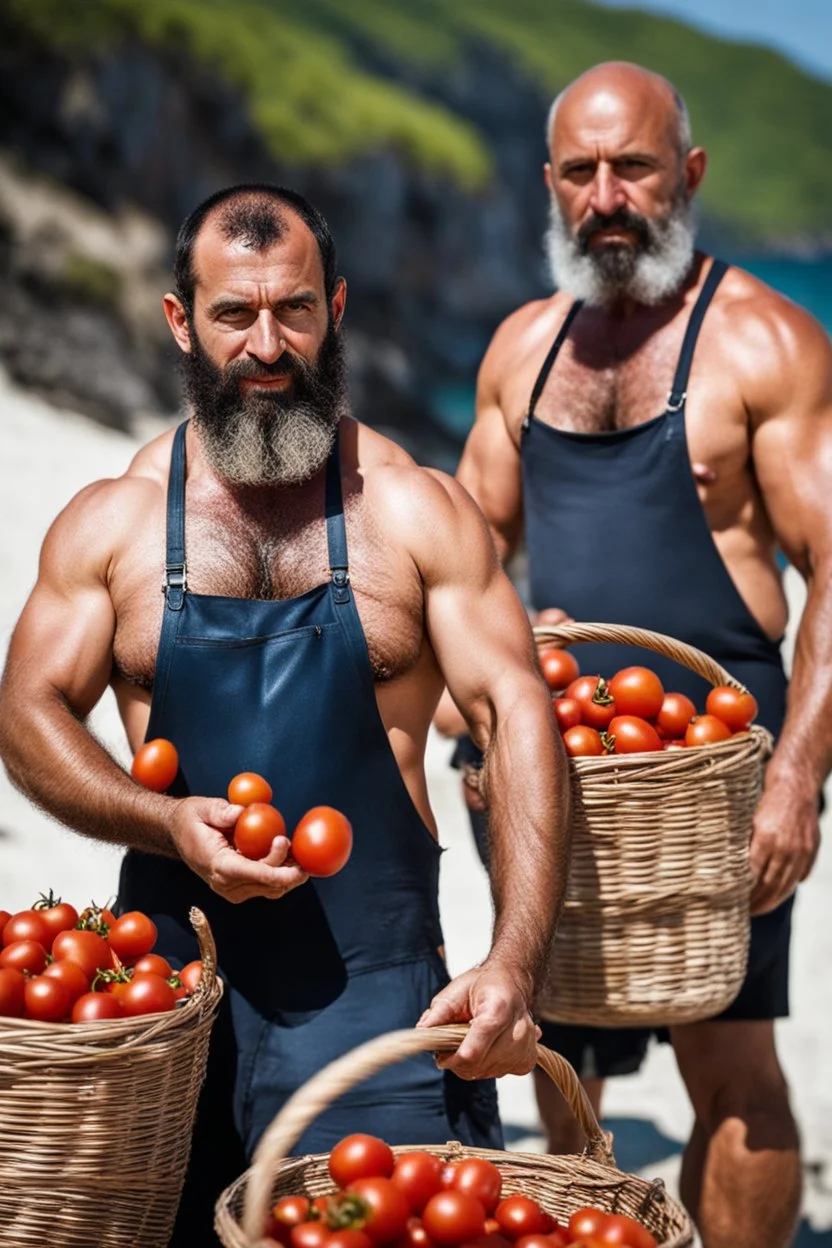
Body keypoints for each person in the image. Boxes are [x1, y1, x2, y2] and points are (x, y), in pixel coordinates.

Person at [0, 184, 570, 1243]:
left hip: (381, 1002)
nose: (268, 346)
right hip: (162, 999)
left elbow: (517, 712)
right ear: (182, 322)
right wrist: (162, 822)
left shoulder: (412, 510)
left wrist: (512, 965)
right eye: (233, 315)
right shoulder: (116, 524)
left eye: (294, 311)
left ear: (336, 309)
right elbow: (27, 711)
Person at [438, 61, 832, 1248]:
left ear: (689, 174)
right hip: (556, 751)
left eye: (635, 168)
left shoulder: (764, 343)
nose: (607, 197)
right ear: (550, 184)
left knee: (731, 1066)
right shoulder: (523, 349)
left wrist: (796, 779)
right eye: (581, 172)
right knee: (560, 1063)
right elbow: (468, 547)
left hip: (713, 779)